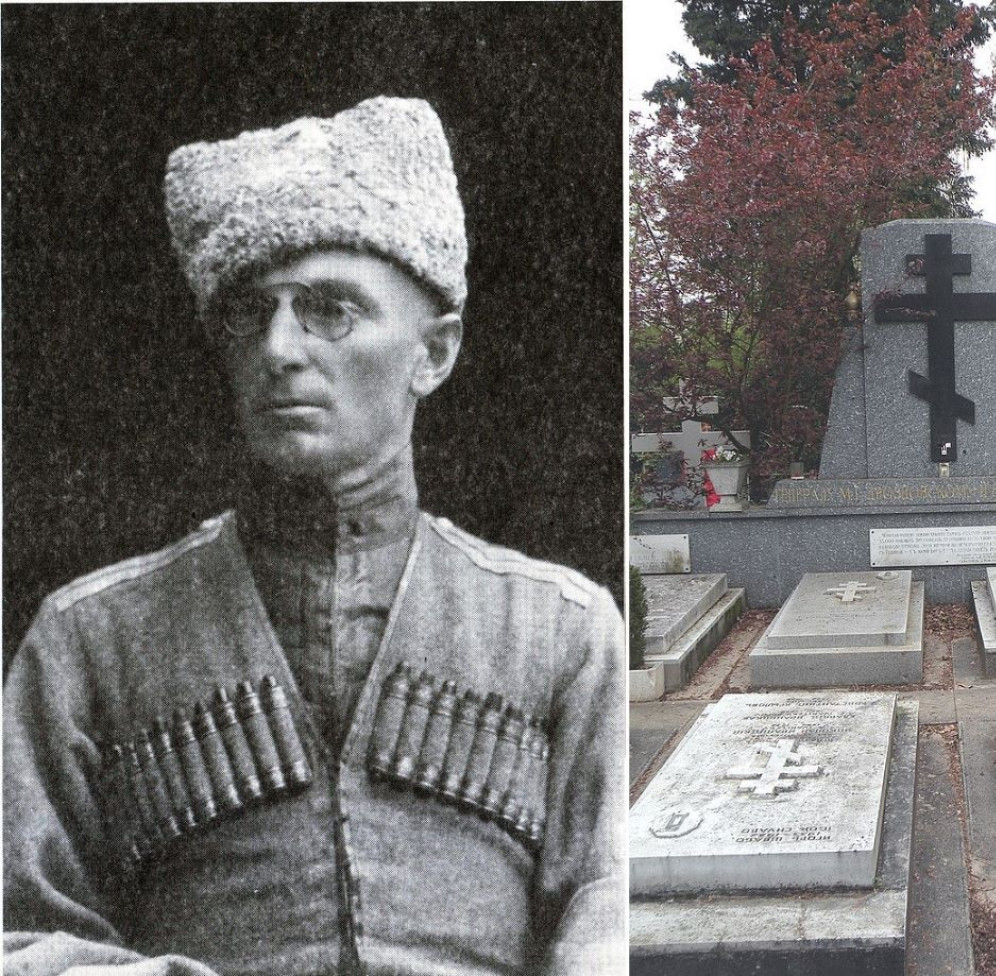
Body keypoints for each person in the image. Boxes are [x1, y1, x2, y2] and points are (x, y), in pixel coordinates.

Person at [3, 97, 625, 976]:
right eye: (250, 314)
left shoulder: (561, 630)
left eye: (329, 310)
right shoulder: (88, 640)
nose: (280, 349)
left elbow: (613, 910)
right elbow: (16, 935)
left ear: (434, 352)